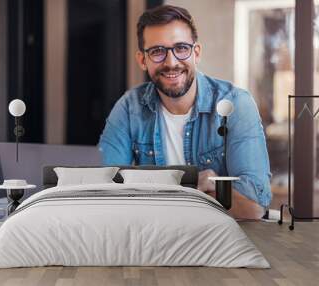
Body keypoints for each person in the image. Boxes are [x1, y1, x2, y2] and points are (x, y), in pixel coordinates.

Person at [98, 5, 271, 219]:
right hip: (156, 237)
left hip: (222, 239)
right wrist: (187, 187)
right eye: (157, 51)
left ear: (196, 53)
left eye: (181, 48)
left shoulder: (236, 104)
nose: (171, 62)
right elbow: (106, 192)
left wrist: (150, 191)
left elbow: (253, 208)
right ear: (143, 60)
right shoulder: (128, 108)